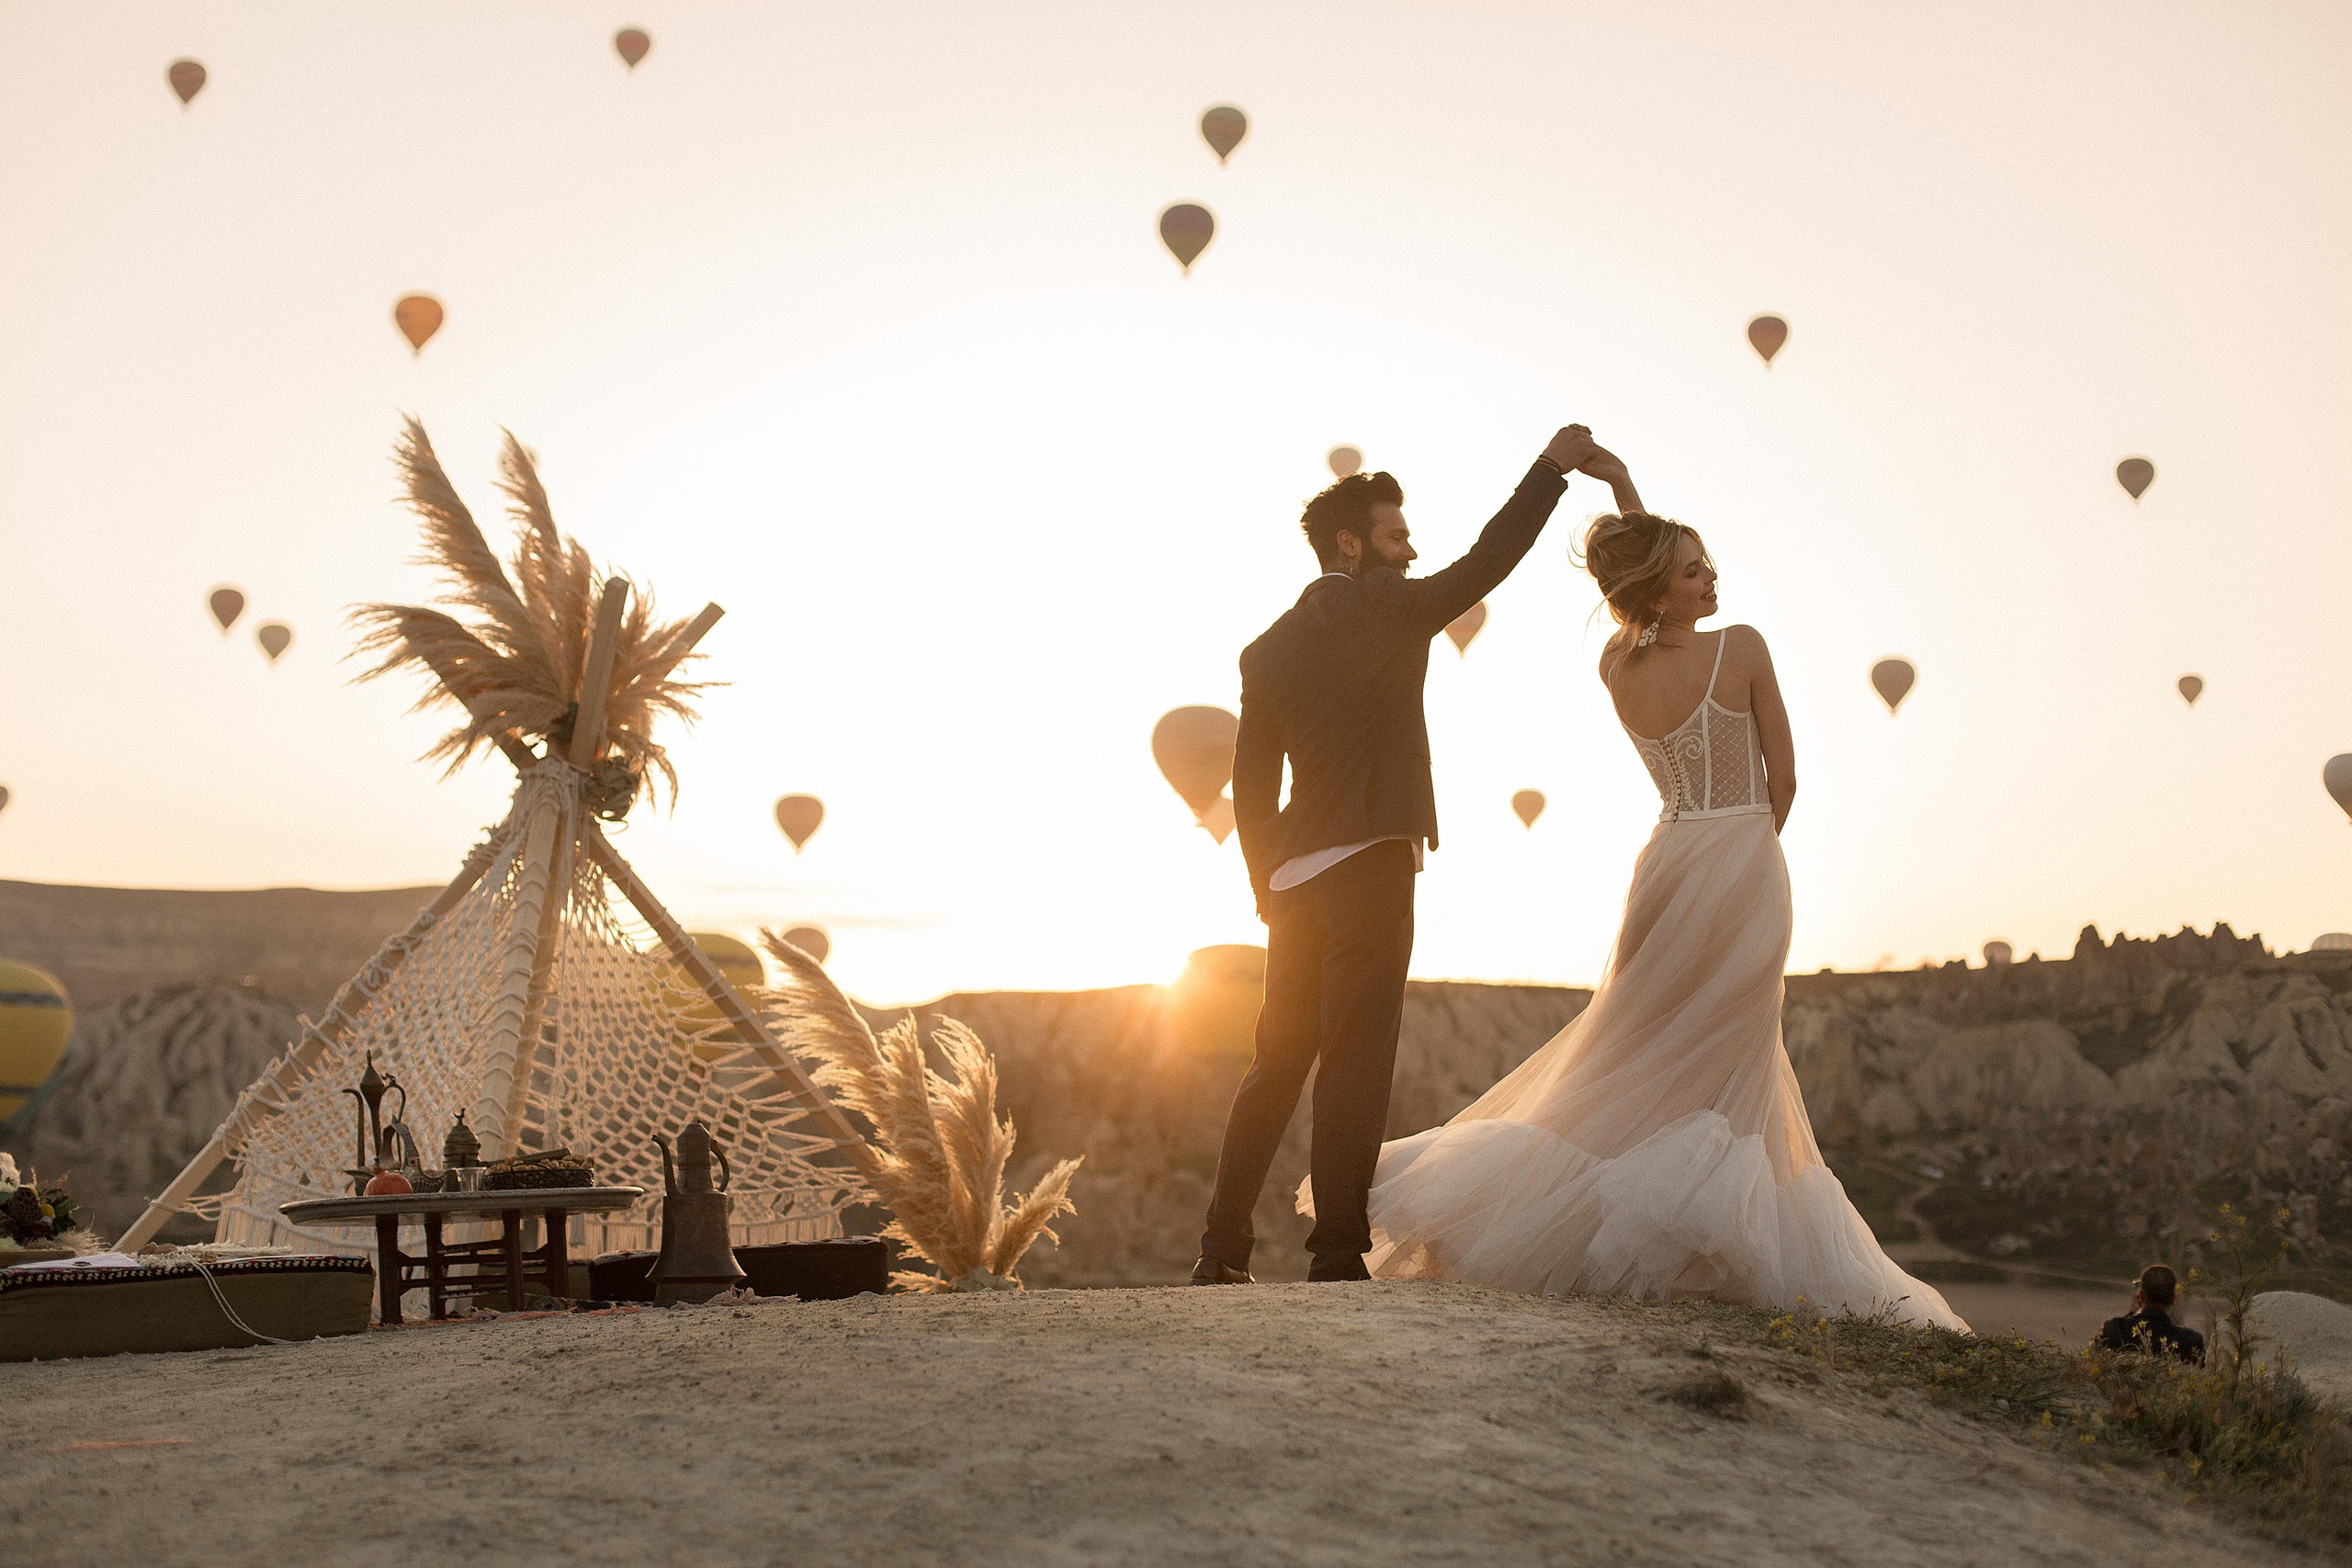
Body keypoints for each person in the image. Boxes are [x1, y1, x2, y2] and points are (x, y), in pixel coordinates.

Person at [1301, 445, 1967, 1328]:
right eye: (1695, 570)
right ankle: (1706, 1242)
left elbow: (1640, 580)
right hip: (1742, 856)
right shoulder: (1745, 646)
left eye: (1709, 565)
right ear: (1666, 585)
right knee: (1731, 1058)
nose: (1710, 576)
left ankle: (1644, 1225)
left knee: (1640, 1044)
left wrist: (1621, 495)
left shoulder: (1618, 666)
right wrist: (1751, 855)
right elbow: (1788, 782)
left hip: (1666, 860)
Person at [1192, 424, 1602, 1285]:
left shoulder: (1264, 649)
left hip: (1293, 878)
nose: (1411, 547)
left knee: (1275, 1064)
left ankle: (1220, 1250)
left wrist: (1265, 883)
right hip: (1372, 862)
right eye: (1395, 532)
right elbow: (1492, 556)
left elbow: (1251, 778)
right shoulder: (1392, 607)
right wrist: (1550, 468)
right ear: (1351, 543)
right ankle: (1337, 1250)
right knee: (1356, 1056)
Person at [2098, 1265, 2205, 1361]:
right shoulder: (2190, 1340)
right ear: (2174, 1299)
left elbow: (2089, 1362)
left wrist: (2132, 1313)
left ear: (2140, 1295)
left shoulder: (2113, 1329)